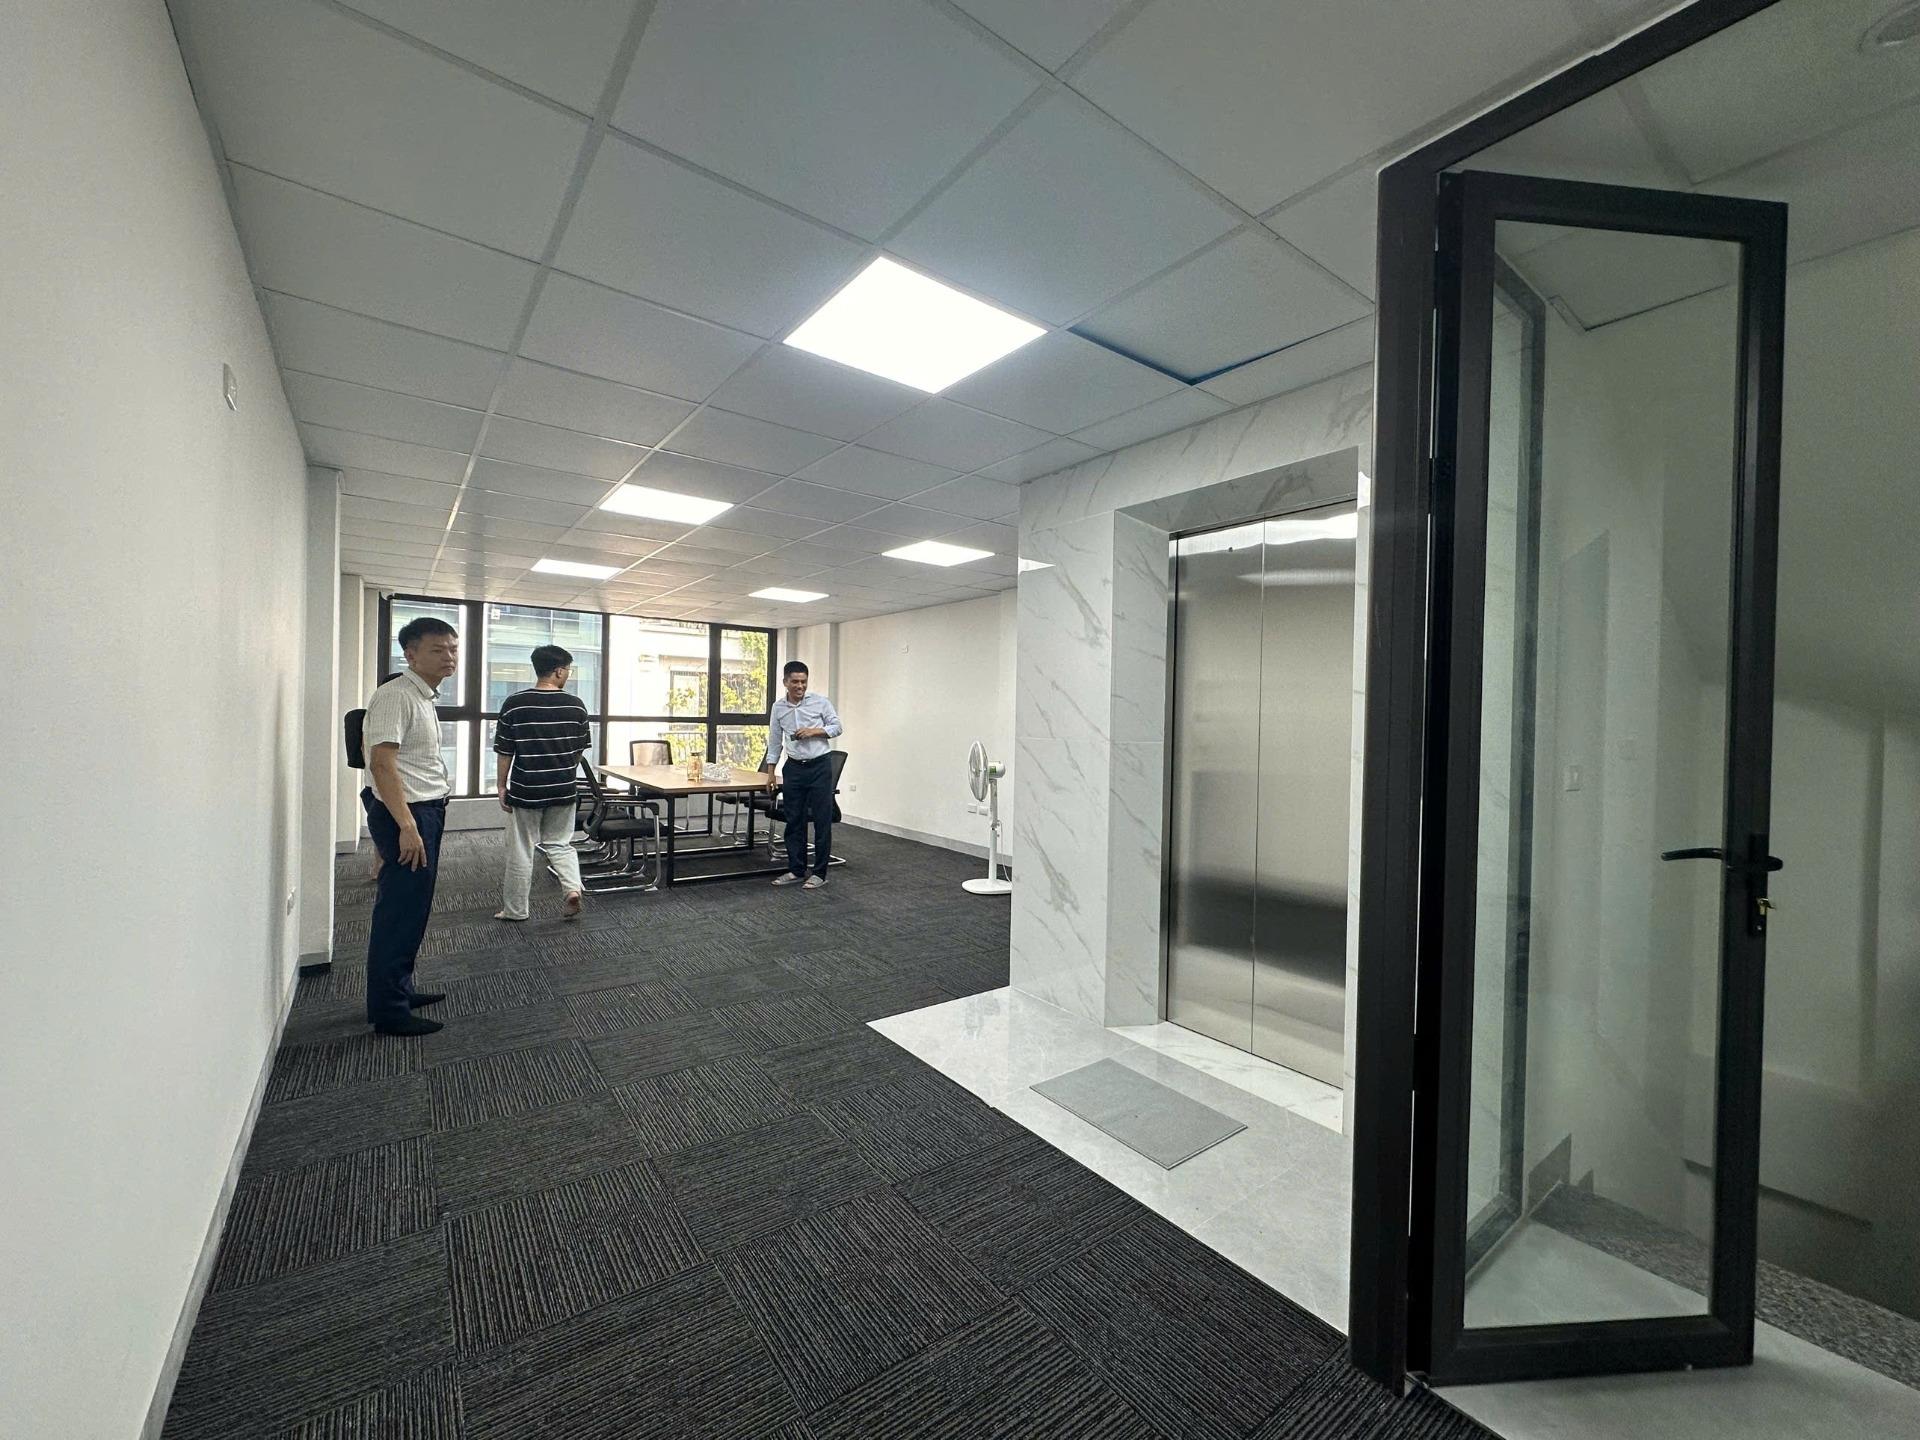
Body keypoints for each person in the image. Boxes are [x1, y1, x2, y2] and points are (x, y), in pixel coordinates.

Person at [360, 620, 456, 1037]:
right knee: (400, 911)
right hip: (407, 814)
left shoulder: (422, 696)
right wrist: (406, 826)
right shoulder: (396, 695)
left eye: (452, 649)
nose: (449, 657)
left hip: (422, 809)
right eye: (438, 650)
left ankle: (399, 989)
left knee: (413, 908)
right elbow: (381, 764)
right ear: (411, 655)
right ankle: (390, 1011)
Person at [494, 644, 592, 923]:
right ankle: (571, 889)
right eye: (568, 670)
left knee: (521, 848)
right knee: (560, 843)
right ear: (559, 671)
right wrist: (563, 769)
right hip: (563, 787)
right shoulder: (576, 705)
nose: (568, 675)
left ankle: (515, 910)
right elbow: (578, 751)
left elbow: (505, 750)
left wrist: (501, 786)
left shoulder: (515, 703)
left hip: (526, 788)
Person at [763, 659, 842, 889]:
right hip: (794, 768)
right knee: (794, 820)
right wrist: (770, 772)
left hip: (820, 766)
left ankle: (819, 873)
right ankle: (796, 870)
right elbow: (774, 741)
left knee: (821, 821)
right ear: (785, 682)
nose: (800, 686)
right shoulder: (778, 708)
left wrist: (814, 731)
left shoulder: (820, 702)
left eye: (804, 682)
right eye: (795, 682)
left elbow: (837, 727)